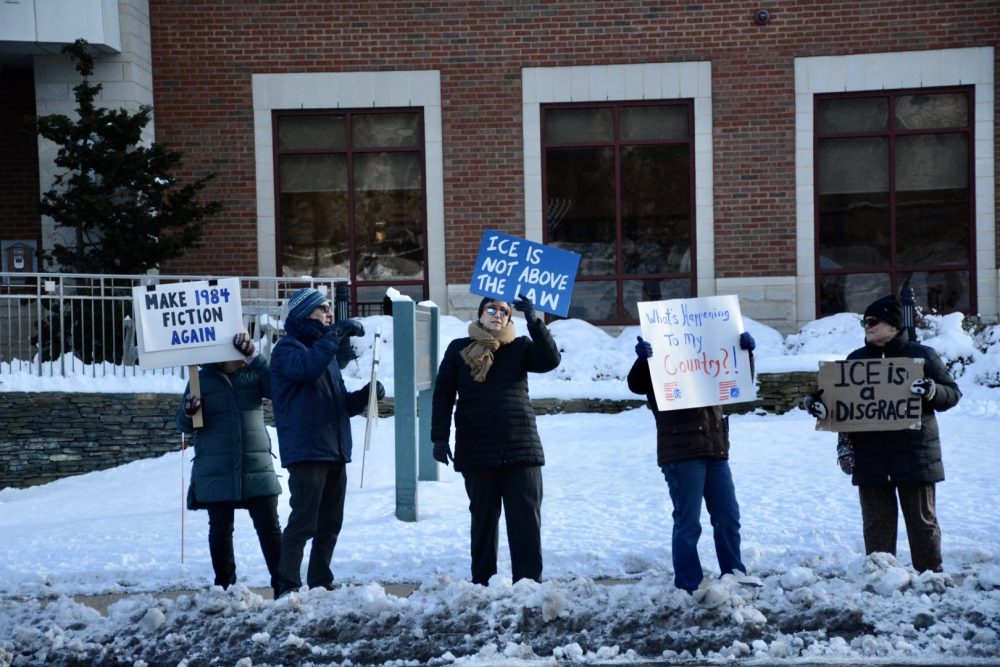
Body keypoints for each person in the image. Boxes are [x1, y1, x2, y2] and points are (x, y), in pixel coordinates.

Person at [803, 294, 960, 573]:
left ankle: (931, 576)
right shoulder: (856, 360)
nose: (867, 326)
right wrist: (816, 404)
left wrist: (933, 391)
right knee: (876, 525)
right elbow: (838, 403)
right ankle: (881, 577)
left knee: (922, 523)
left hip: (916, 454)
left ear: (893, 325)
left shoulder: (922, 356)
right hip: (871, 457)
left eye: (874, 321)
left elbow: (953, 394)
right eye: (865, 321)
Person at [431, 294, 561, 585]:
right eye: (492, 308)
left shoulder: (520, 346)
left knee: (525, 522)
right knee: (483, 522)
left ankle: (528, 585)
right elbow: (443, 395)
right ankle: (482, 583)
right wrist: (439, 437)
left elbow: (550, 360)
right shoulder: (458, 349)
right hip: (477, 448)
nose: (498, 314)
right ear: (480, 314)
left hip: (520, 448)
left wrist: (533, 321)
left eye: (505, 311)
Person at [270, 287, 384, 596]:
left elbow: (340, 404)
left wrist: (366, 395)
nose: (329, 314)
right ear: (304, 314)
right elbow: (306, 370)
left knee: (331, 522)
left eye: (329, 309)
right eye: (323, 310)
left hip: (333, 448)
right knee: (304, 521)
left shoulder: (326, 353)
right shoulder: (287, 349)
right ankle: (287, 586)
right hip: (307, 450)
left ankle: (320, 580)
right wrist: (333, 336)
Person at [627, 330, 757, 593]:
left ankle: (733, 572)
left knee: (728, 516)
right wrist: (643, 360)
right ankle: (689, 583)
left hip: (715, 448)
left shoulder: (708, 357)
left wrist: (745, 354)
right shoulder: (661, 360)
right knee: (688, 521)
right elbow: (636, 384)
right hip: (681, 451)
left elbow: (736, 380)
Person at [176, 331, 282, 597]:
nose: (243, 358)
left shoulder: (254, 373)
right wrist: (188, 412)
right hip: (216, 468)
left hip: (256, 464)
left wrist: (256, 358)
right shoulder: (199, 381)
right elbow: (184, 424)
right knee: (221, 530)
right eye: (238, 354)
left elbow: (280, 390)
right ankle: (225, 588)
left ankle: (285, 584)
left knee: (269, 527)